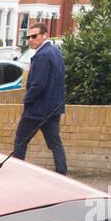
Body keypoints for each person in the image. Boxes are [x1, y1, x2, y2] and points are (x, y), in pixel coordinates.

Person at [11, 23, 67, 175]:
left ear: (44, 35)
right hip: (53, 108)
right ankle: (62, 173)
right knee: (54, 143)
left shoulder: (42, 55)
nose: (30, 40)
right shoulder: (55, 51)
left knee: (20, 141)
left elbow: (38, 84)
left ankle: (16, 172)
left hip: (37, 110)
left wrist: (27, 101)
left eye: (34, 36)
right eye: (28, 37)